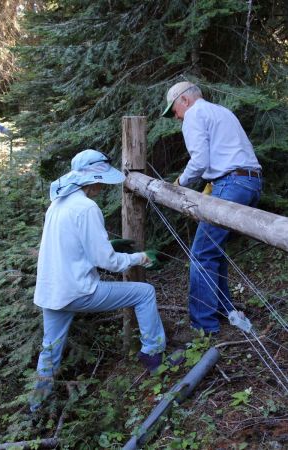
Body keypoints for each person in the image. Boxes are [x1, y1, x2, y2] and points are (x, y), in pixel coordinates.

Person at [29, 149, 166, 412]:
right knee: (144, 292)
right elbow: (108, 262)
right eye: (101, 181)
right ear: (91, 179)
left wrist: (109, 245)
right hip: (78, 291)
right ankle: (152, 354)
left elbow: (70, 247)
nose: (102, 186)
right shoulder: (87, 207)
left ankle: (36, 407)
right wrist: (140, 258)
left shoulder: (58, 202)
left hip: (51, 292)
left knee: (50, 349)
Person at [162, 81, 262, 334]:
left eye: (174, 109)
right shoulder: (221, 111)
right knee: (213, 252)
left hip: (231, 183)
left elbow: (199, 160)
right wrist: (213, 183)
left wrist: (179, 183)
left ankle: (203, 326)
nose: (175, 116)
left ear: (184, 100)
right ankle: (223, 310)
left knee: (202, 255)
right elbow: (223, 155)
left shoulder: (193, 115)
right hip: (249, 183)